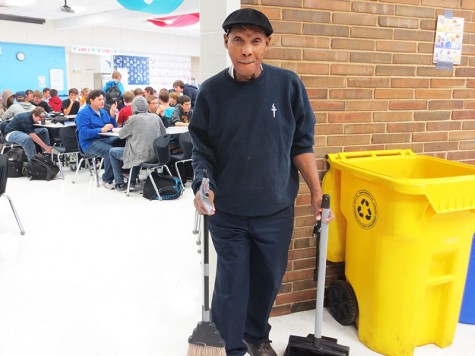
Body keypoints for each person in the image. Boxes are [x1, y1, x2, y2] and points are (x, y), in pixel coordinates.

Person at [190, 8, 329, 356]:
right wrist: (201, 184)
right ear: (226, 43)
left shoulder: (288, 85)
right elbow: (202, 150)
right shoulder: (210, 92)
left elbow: (301, 144)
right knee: (232, 284)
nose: (246, 50)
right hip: (228, 211)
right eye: (238, 40)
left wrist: (316, 191)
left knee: (268, 281)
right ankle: (232, 347)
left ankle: (256, 335)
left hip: (276, 209)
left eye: (255, 41)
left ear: (267, 45)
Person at [109, 96, 166, 192]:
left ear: (134, 107)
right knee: (138, 148)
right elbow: (163, 134)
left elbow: (122, 135)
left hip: (140, 155)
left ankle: (119, 183)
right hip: (156, 156)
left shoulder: (133, 119)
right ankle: (131, 180)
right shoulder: (156, 117)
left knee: (112, 152)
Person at [75, 89, 119, 189]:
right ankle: (107, 179)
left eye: (103, 99)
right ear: (91, 101)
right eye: (99, 99)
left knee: (123, 143)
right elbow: (83, 133)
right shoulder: (83, 114)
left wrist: (112, 115)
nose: (102, 101)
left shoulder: (103, 112)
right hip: (89, 143)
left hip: (104, 140)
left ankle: (122, 175)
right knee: (110, 151)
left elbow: (111, 127)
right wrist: (101, 130)